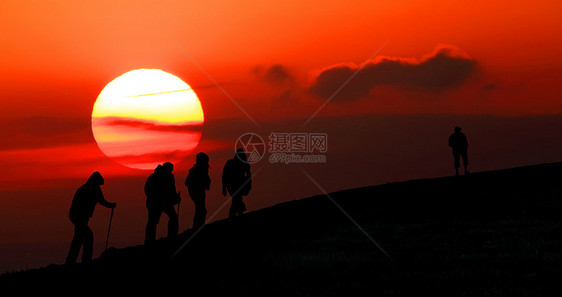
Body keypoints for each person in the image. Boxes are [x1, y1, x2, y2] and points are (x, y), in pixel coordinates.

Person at [66, 172, 116, 264]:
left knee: (79, 238)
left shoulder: (86, 188)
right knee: (88, 236)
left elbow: (101, 201)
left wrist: (110, 205)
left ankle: (71, 260)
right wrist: (111, 205)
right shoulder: (92, 189)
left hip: (77, 217)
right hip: (79, 217)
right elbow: (102, 201)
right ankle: (85, 260)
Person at [144, 162, 180, 244]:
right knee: (153, 222)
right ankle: (149, 241)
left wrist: (175, 198)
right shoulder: (155, 177)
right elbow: (147, 190)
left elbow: (172, 190)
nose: (170, 171)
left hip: (163, 202)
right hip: (155, 203)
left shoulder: (169, 177)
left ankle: (172, 237)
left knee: (172, 217)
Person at [222, 149, 252, 218]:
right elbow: (224, 175)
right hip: (232, 185)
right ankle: (236, 213)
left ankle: (237, 213)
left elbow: (248, 174)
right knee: (237, 199)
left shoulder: (243, 163)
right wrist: (224, 188)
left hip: (239, 184)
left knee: (237, 200)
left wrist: (248, 183)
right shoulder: (230, 163)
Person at [185, 152, 211, 229]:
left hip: (200, 191)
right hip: (196, 191)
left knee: (201, 209)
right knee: (201, 209)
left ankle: (199, 226)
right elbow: (187, 182)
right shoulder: (195, 169)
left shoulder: (202, 168)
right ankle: (197, 226)